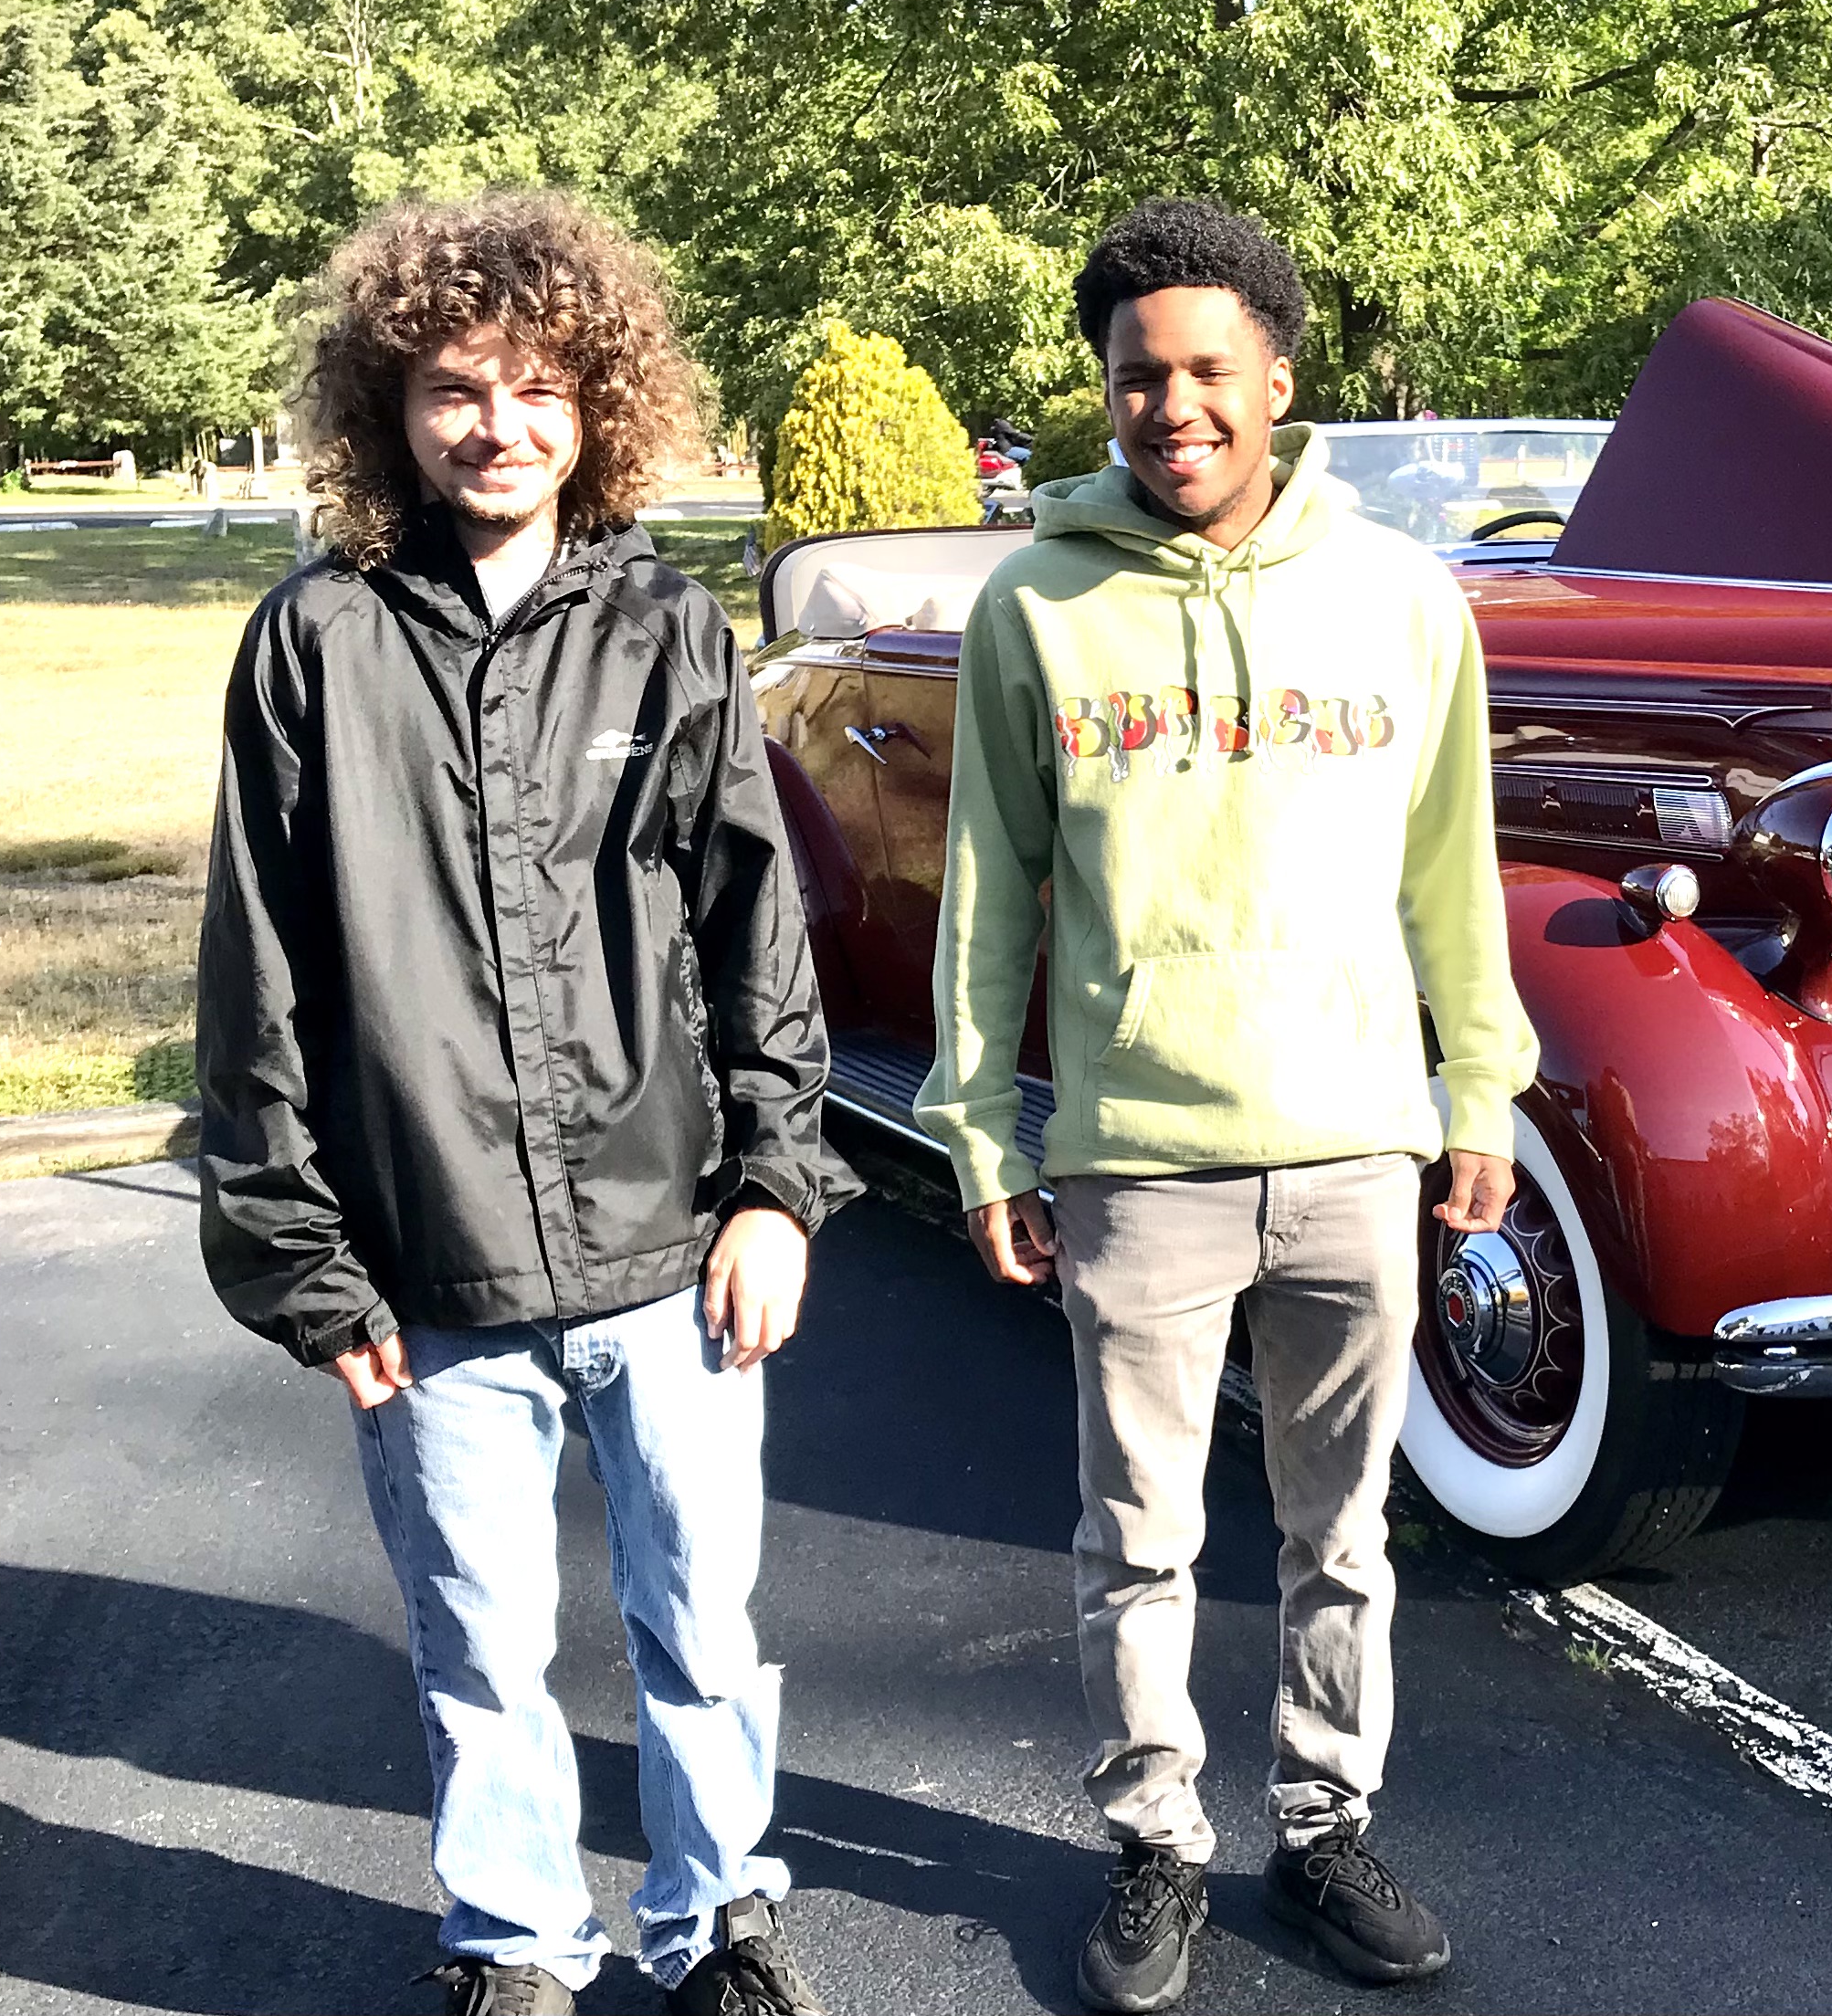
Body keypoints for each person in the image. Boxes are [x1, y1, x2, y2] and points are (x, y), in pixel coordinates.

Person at [195, 192, 849, 2016]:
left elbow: (753, 923)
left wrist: (778, 1187)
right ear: (389, 407)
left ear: (599, 402)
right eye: (455, 389)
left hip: (673, 1251)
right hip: (427, 1273)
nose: (498, 425)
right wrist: (304, 1262)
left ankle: (720, 1923)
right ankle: (513, 1945)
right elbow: (260, 972)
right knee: (477, 1645)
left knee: (698, 1623)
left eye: (539, 387)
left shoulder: (666, 629)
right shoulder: (314, 641)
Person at [916, 197, 1539, 2013]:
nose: (1169, 405)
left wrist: (1478, 1086)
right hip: (1137, 1157)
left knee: (1342, 1535)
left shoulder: (1399, 599)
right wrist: (981, 1127)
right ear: (1103, 391)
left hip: (1351, 1138)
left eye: (1205, 369)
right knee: (1139, 1536)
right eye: (1136, 375)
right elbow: (990, 893)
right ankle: (1154, 1839)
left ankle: (1323, 1826)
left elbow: (1452, 874)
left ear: (1275, 378)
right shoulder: (1035, 606)